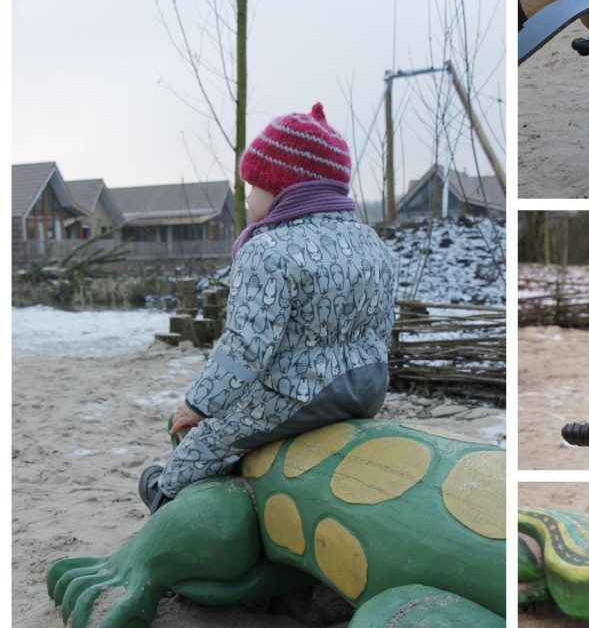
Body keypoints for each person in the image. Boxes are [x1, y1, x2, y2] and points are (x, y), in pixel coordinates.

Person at [139, 103, 397, 512]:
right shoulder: (371, 243)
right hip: (368, 386)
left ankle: (162, 492)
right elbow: (381, 328)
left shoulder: (268, 250)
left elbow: (245, 348)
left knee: (212, 437)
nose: (247, 196)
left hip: (304, 392)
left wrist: (197, 404)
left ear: (285, 188)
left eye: (253, 185)